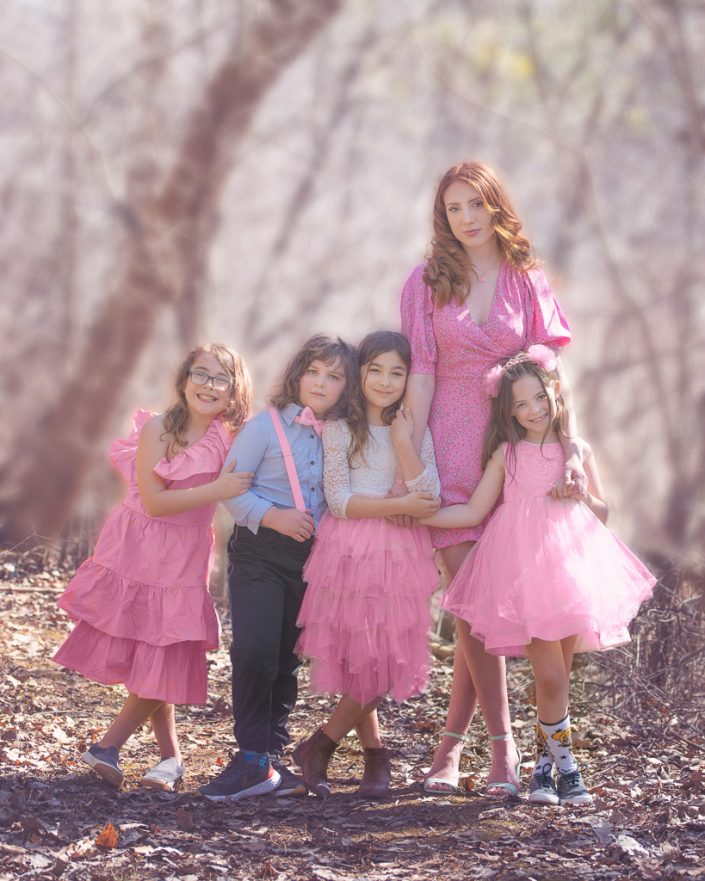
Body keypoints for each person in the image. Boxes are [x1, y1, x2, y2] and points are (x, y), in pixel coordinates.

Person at [400, 160, 585, 796]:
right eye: (454, 208)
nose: (467, 218)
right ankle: (500, 753)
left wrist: (570, 449)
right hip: (450, 450)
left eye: (476, 204)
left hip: (517, 449)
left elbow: (551, 377)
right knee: (472, 608)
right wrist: (410, 460)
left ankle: (462, 749)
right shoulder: (427, 283)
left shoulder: (528, 280)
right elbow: (421, 373)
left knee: (518, 605)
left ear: (495, 205)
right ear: (442, 217)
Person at [422, 346, 655, 805]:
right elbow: (473, 509)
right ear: (508, 412)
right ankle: (568, 768)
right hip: (523, 574)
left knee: (560, 676)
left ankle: (545, 771)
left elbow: (603, 513)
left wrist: (582, 495)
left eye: (539, 399)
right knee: (549, 675)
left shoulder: (577, 450)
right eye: (520, 405)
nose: (532, 411)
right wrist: (419, 516)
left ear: (555, 393)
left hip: (571, 565)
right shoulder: (507, 454)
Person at [54, 344, 253, 791]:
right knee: (154, 646)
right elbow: (156, 502)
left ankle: (170, 759)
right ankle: (109, 746)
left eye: (221, 378)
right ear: (183, 379)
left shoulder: (230, 438)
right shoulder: (160, 430)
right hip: (139, 542)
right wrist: (217, 487)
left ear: (234, 391)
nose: (208, 385)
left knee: (162, 648)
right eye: (200, 374)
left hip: (185, 554)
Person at [198, 334, 358, 802]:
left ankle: (269, 757)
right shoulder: (263, 428)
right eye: (314, 371)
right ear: (297, 374)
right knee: (255, 650)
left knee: (287, 657)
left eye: (334, 376)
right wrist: (273, 516)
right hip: (258, 551)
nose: (321, 383)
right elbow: (228, 488)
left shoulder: (346, 435)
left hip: (311, 560)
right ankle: (249, 757)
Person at [292, 331, 441, 799]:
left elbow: (430, 494)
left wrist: (401, 440)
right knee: (366, 657)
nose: (385, 380)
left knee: (384, 659)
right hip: (350, 552)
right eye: (375, 369)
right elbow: (338, 500)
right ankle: (375, 756)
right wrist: (396, 506)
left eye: (397, 372)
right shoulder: (339, 428)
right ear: (360, 373)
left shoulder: (414, 429)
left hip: (400, 557)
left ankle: (322, 744)